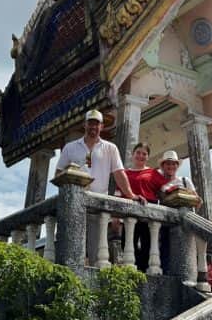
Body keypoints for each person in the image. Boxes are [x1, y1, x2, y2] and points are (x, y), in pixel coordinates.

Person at [56, 109, 141, 262]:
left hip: (97, 205)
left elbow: (119, 174)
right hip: (74, 204)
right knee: (72, 249)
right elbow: (58, 174)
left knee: (96, 252)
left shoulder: (110, 148)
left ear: (102, 126)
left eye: (97, 124)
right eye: (90, 123)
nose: (93, 127)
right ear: (85, 124)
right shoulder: (70, 147)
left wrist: (130, 194)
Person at [120, 142, 164, 271]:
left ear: (148, 157)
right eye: (138, 152)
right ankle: (136, 268)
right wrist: (115, 218)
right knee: (127, 242)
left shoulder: (153, 173)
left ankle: (143, 269)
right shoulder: (125, 173)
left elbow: (166, 188)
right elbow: (119, 193)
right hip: (129, 211)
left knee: (148, 243)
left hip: (149, 211)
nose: (141, 156)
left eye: (144, 153)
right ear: (132, 155)